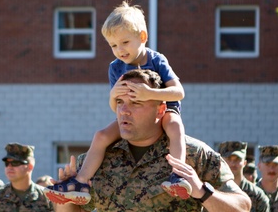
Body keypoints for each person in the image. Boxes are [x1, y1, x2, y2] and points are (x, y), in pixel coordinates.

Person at [47, 1, 189, 204]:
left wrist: (149, 93)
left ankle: (179, 175)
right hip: (130, 116)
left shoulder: (157, 59)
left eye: (124, 43)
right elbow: (115, 108)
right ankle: (80, 182)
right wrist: (114, 95)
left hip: (163, 109)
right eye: (113, 45)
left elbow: (179, 92)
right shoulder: (115, 68)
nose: (119, 50)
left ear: (142, 37)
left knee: (175, 126)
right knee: (101, 135)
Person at [52, 69, 251, 212]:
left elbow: (242, 207)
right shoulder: (97, 158)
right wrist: (64, 200)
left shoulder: (193, 154)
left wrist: (201, 191)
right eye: (120, 102)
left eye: (136, 102)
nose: (124, 110)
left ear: (160, 110)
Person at [0, 142, 53, 211]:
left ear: (30, 166)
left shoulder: (47, 198)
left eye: (15, 163)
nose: (9, 167)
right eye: (7, 163)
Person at [218, 141, 270, 212]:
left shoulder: (257, 196)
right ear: (221, 162)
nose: (233, 163)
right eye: (229, 159)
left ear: (244, 163)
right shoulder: (213, 192)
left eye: (237, 159)